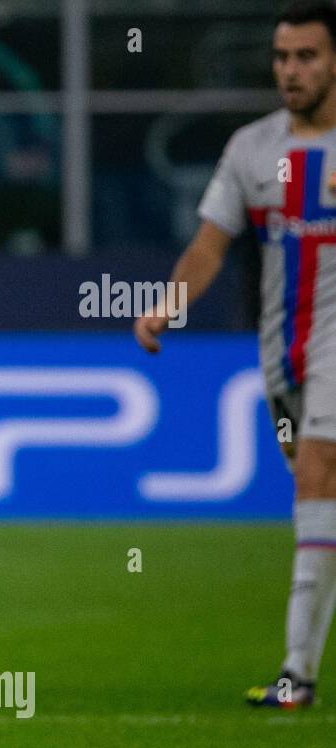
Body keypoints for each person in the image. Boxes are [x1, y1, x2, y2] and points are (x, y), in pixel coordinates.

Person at [135, 1, 336, 709]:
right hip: (284, 349)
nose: (291, 70)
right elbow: (209, 245)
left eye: (307, 56)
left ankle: (296, 673)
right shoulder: (254, 148)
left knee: (318, 475)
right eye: (282, 58)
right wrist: (169, 304)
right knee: (320, 500)